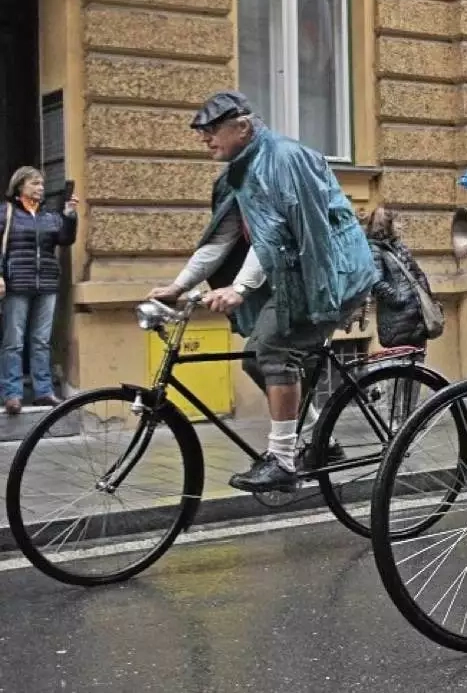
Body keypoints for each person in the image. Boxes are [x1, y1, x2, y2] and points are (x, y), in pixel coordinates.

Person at [148, 91, 378, 492]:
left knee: (273, 348)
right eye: (202, 131)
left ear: (242, 127)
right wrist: (178, 286)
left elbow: (279, 234)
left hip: (334, 272)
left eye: (212, 129)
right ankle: (321, 441)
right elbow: (221, 241)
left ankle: (283, 461)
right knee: (257, 358)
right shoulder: (240, 173)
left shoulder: (284, 159)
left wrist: (240, 288)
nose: (204, 138)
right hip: (298, 275)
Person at [1, 167, 79, 415]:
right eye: (35, 183)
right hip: (16, 283)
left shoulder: (49, 217)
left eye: (42, 184)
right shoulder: (6, 213)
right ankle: (12, 394)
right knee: (13, 341)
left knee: (41, 341)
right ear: (20, 186)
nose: (40, 188)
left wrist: (70, 215)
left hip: (46, 284)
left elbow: (65, 239)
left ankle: (43, 391)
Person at [367, 206, 436, 350]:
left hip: (417, 319)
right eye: (396, 222)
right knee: (403, 361)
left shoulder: (399, 247)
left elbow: (417, 273)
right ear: (386, 225)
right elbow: (376, 282)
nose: (400, 226)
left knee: (418, 360)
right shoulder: (375, 249)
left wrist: (428, 299)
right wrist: (399, 299)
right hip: (398, 321)